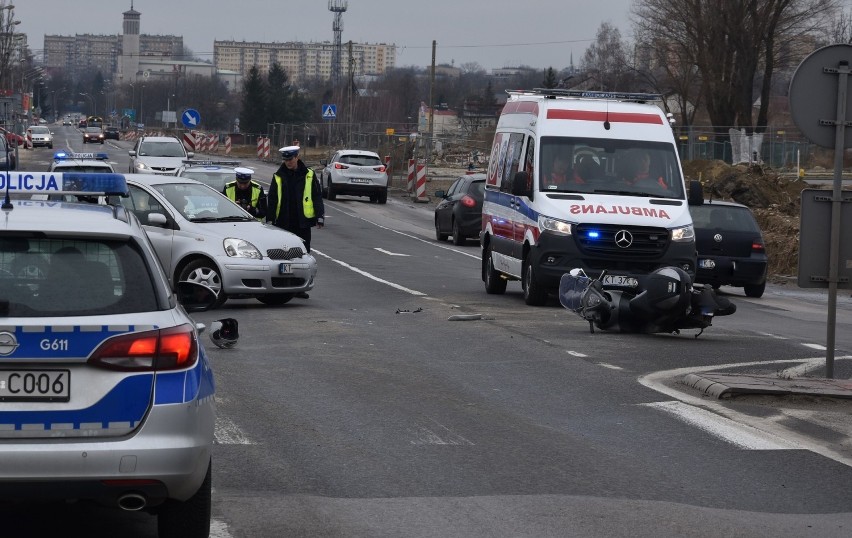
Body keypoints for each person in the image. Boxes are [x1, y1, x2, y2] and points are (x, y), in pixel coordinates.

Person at [267, 145, 325, 299]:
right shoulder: (278, 175)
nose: (288, 162)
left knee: (302, 255)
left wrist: (320, 216)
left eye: (290, 159)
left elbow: (316, 196)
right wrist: (270, 219)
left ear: (297, 157)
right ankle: (283, 285)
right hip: (283, 222)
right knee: (282, 255)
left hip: (302, 222)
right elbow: (272, 198)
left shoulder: (309, 175)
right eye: (285, 160)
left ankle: (300, 287)